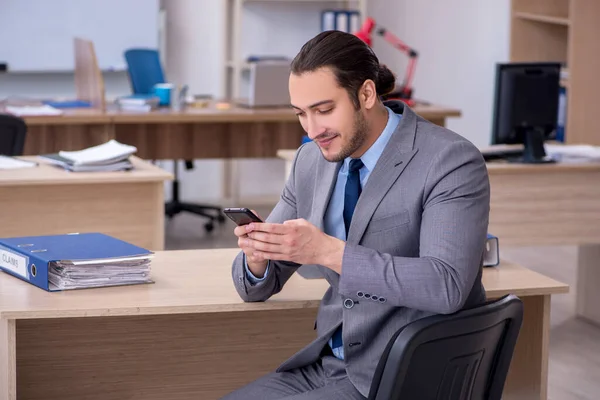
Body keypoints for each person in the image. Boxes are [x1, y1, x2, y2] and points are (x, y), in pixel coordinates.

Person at [222, 30, 490, 400]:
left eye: (324, 110)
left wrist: (327, 252)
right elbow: (257, 287)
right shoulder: (310, 161)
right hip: (330, 364)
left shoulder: (448, 160)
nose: (312, 130)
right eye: (301, 114)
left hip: (405, 372)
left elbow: (446, 286)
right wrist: (257, 257)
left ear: (366, 94)